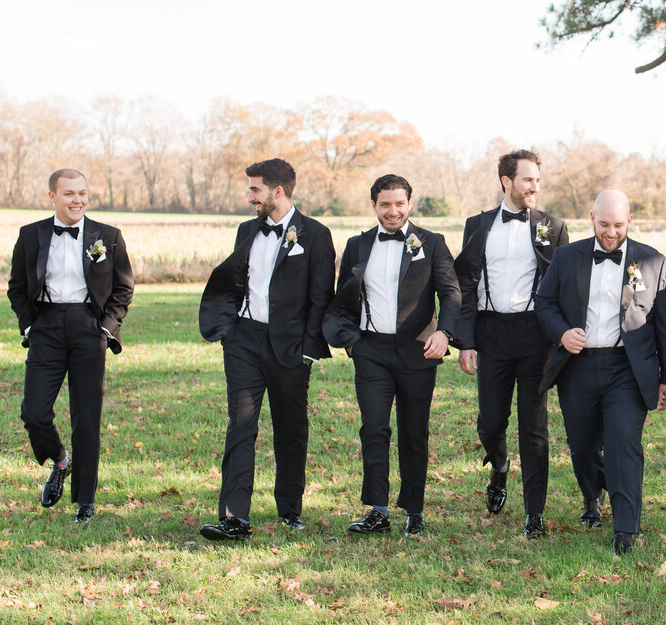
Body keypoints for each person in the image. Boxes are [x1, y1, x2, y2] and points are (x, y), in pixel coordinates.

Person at [535, 190, 666, 555]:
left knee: (622, 442)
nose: (611, 233)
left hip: (628, 369)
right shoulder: (567, 257)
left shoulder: (651, 260)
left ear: (629, 221)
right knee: (582, 446)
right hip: (578, 366)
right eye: (604, 225)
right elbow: (544, 302)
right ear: (591, 218)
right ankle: (591, 495)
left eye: (618, 225)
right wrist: (562, 333)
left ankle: (625, 528)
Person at [197, 158, 335, 541]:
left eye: (255, 190)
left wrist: (309, 350)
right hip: (243, 341)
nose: (249, 197)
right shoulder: (246, 230)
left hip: (291, 348)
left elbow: (322, 296)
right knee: (240, 427)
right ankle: (233, 517)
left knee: (290, 430)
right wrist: (229, 330)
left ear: (278, 191)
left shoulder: (316, 234)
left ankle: (290, 510)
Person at [323, 174, 461, 537]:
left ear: (409, 204)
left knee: (414, 432)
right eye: (385, 204)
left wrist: (444, 334)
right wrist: (353, 343)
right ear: (374, 206)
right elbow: (343, 300)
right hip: (371, 352)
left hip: (419, 352)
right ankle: (378, 510)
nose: (393, 211)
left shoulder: (432, 243)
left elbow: (451, 293)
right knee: (374, 428)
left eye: (399, 203)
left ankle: (414, 510)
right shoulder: (357, 245)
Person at [8, 168, 134, 524]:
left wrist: (106, 329)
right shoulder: (30, 235)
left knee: (86, 417)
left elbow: (124, 287)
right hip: (45, 327)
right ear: (52, 197)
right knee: (34, 412)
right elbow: (17, 286)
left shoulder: (107, 236)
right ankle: (61, 461)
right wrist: (30, 324)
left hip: (88, 328)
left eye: (82, 193)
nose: (77, 200)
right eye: (68, 194)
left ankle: (85, 500)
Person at [454, 149, 568, 539]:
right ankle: (499, 466)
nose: (535, 186)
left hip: (536, 337)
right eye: (527, 180)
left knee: (534, 428)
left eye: (538, 179)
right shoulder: (478, 225)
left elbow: (563, 287)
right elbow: (465, 285)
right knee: (490, 423)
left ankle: (534, 512)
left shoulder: (553, 226)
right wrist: (465, 341)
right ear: (507, 182)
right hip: (491, 335)